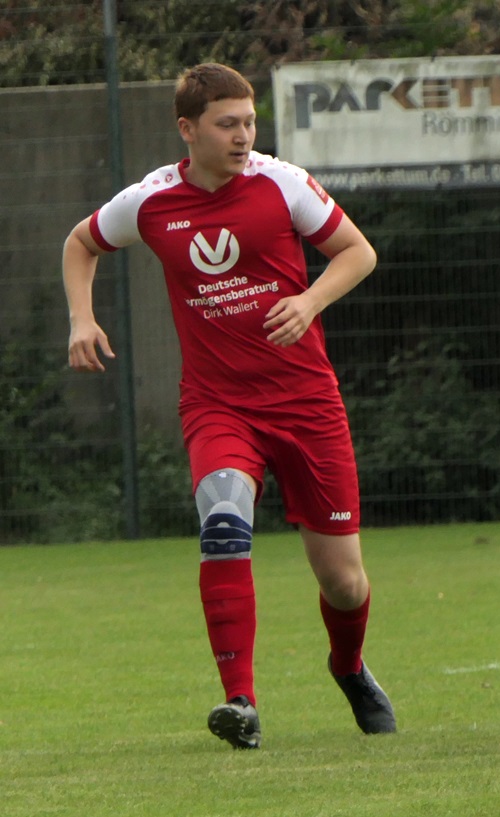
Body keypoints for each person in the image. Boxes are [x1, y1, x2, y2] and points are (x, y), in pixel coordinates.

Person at [62, 62, 395, 749]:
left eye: (249, 122)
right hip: (218, 404)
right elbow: (81, 242)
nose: (244, 136)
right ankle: (240, 700)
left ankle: (349, 665)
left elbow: (357, 253)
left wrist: (309, 301)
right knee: (222, 520)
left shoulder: (282, 183)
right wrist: (81, 319)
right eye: (227, 124)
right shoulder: (151, 200)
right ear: (187, 129)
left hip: (306, 404)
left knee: (343, 581)